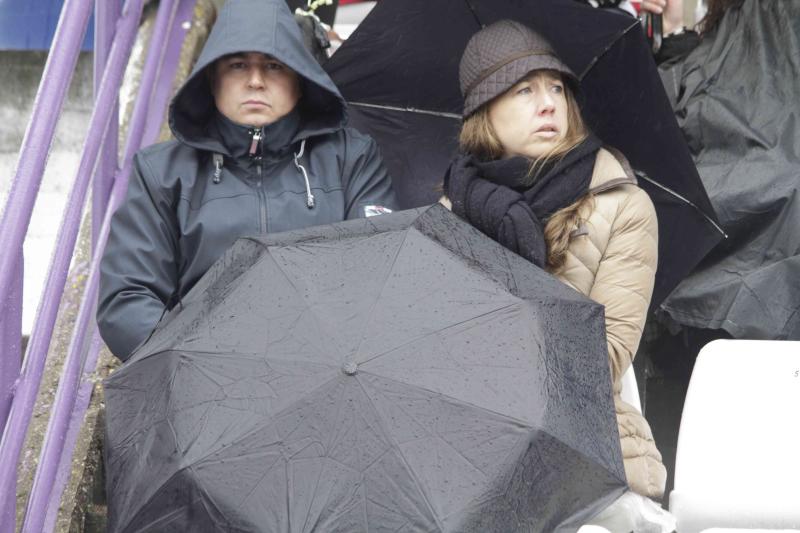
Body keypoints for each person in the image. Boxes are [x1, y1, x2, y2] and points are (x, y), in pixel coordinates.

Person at [441, 20, 673, 531]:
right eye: (524, 90)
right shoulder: (450, 211)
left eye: (556, 88)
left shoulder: (622, 205)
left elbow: (605, 355)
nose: (548, 104)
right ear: (485, 112)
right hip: (470, 457)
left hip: (590, 459)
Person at [98, 0, 396, 361]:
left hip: (325, 372)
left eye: (274, 65)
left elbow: (379, 274)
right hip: (203, 382)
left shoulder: (352, 158)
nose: (256, 80)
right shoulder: (162, 172)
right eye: (238, 65)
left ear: (300, 80)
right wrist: (200, 359)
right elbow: (128, 298)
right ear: (212, 78)